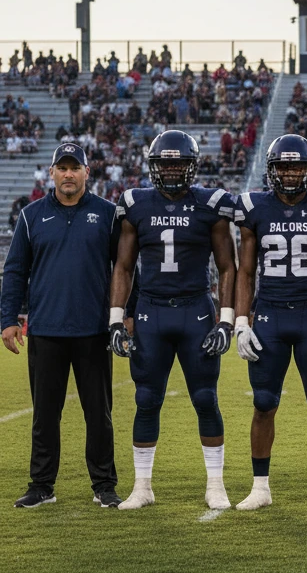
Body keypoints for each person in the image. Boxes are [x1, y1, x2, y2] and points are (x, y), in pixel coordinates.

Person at [109, 129, 237, 511]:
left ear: (191, 166)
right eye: (165, 163)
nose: (171, 169)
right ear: (153, 166)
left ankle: (215, 484)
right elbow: (124, 266)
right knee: (146, 399)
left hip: (196, 309)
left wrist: (226, 321)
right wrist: (118, 319)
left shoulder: (209, 205)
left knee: (205, 397)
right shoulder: (135, 203)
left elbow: (228, 267)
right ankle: (142, 486)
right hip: (150, 311)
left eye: (178, 163)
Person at [1, 143, 121, 508]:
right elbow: (15, 270)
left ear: (88, 172)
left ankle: (104, 485)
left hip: (94, 330)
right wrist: (8, 319)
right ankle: (41, 486)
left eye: (75, 168)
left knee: (98, 415)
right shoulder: (31, 215)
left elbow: (126, 270)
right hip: (45, 331)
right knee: (45, 415)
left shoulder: (107, 214)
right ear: (50, 172)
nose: (68, 174)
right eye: (62, 168)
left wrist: (125, 314)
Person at [232, 134, 307, 511]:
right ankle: (260, 486)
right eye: (284, 166)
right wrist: (240, 321)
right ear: (272, 170)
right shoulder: (255, 207)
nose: (291, 172)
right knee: (264, 404)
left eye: (297, 165)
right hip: (269, 313)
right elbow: (245, 271)